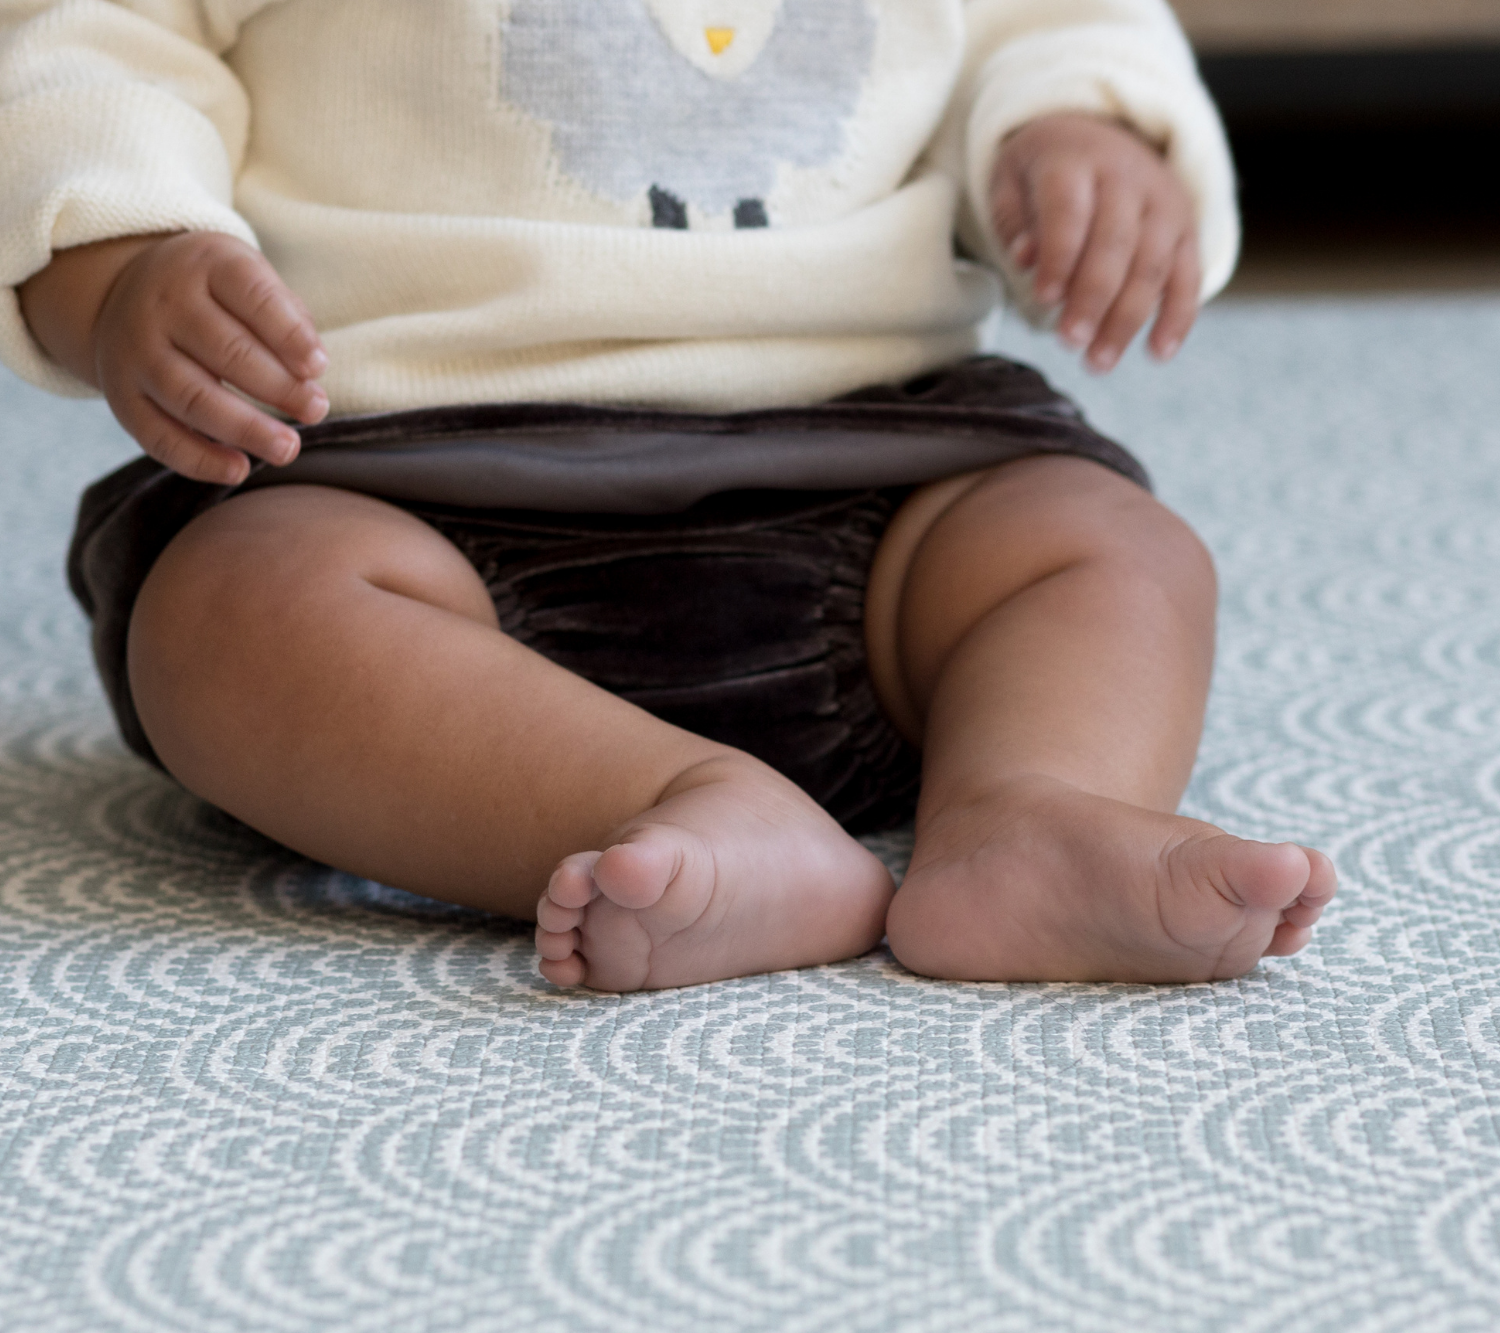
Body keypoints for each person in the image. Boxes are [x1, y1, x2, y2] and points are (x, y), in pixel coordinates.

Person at [1, 0, 1335, 992]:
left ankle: (1030, 812)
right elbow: (97, 49)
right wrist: (123, 264)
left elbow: (1039, 25)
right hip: (402, 466)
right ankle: (679, 808)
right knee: (234, 617)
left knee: (1103, 548)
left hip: (870, 447)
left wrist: (1083, 133)